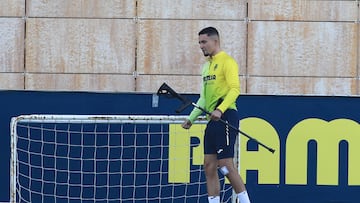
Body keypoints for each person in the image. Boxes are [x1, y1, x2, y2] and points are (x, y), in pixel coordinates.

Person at [182, 27, 251, 203]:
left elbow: (235, 89)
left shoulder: (227, 61)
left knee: (226, 165)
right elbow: (204, 99)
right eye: (199, 43)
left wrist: (220, 109)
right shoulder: (206, 67)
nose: (201, 46)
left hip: (226, 116)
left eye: (204, 42)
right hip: (212, 120)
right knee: (209, 165)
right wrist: (191, 118)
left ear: (215, 41)